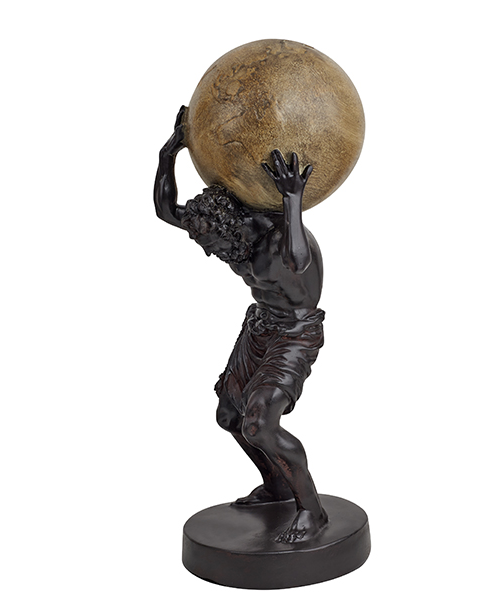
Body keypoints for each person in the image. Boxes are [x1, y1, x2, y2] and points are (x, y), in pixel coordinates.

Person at [154, 106, 328, 543]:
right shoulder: (225, 233)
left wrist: (293, 202)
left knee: (260, 424)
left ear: (232, 230)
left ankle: (312, 511)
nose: (208, 252)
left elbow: (299, 260)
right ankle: (275, 486)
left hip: (295, 333)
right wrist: (168, 154)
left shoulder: (278, 242)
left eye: (212, 244)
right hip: (260, 326)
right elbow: (165, 211)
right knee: (230, 414)